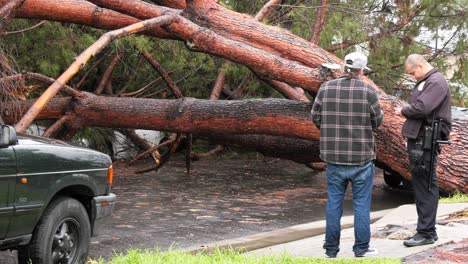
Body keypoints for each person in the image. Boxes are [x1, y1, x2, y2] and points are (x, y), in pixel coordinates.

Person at [311, 52, 383, 258]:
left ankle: (331, 251)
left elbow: (315, 117)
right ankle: (361, 249)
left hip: (333, 158)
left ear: (344, 68)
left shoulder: (326, 89)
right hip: (362, 158)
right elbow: (378, 121)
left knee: (334, 203)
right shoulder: (368, 91)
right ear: (361, 71)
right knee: (361, 205)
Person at [401, 54, 452, 247]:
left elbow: (422, 107)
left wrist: (404, 110)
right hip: (421, 138)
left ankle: (427, 232)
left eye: (413, 72)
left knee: (426, 185)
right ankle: (426, 230)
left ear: (420, 66)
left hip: (426, 140)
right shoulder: (428, 81)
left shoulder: (436, 82)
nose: (413, 76)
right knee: (422, 183)